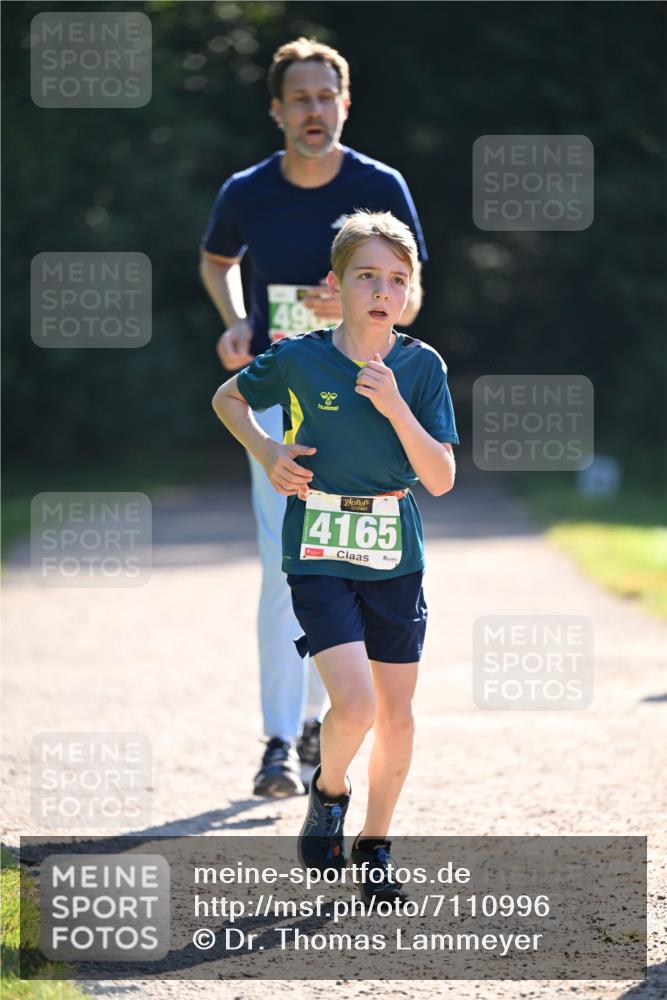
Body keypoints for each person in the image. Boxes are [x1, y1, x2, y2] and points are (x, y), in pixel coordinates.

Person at [200, 37, 428, 798]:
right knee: (282, 562)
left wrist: (363, 301)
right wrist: (236, 321)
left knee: (348, 560)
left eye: (325, 96)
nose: (313, 110)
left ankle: (317, 720)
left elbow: (414, 291)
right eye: (298, 97)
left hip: (359, 394)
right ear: (276, 109)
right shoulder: (248, 190)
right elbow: (217, 259)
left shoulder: (379, 184)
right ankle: (277, 738)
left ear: (345, 104)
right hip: (279, 391)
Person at [212, 211, 458, 902]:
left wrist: (394, 409)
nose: (382, 291)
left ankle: (375, 844)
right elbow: (229, 397)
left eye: (396, 280)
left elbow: (438, 478)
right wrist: (267, 453)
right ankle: (330, 789)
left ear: (408, 293)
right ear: (337, 283)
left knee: (398, 715)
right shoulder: (299, 355)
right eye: (367, 276)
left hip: (393, 555)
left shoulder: (419, 366)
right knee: (352, 706)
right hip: (317, 549)